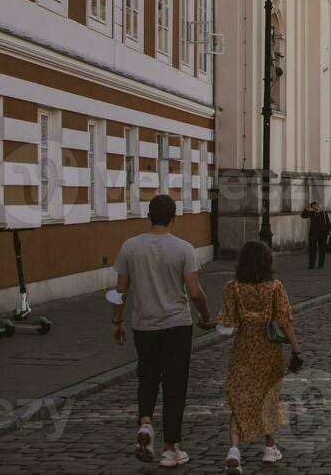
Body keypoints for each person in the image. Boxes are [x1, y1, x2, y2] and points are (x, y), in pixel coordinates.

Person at [111, 194, 214, 468]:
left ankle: (145, 423)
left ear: (149, 217)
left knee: (147, 377)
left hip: (143, 324)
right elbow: (194, 291)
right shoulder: (183, 249)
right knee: (174, 384)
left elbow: (120, 290)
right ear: (173, 219)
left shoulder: (130, 247)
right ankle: (171, 448)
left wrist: (116, 321)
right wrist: (205, 315)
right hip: (177, 324)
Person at [218, 241, 301, 471]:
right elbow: (285, 321)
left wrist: (211, 322)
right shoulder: (275, 288)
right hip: (268, 352)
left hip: (244, 349)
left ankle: (234, 449)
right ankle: (269, 448)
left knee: (240, 398)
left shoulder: (232, 287)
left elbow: (227, 323)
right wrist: (296, 350)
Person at [300, 200, 331, 270]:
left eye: (316, 206)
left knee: (322, 249)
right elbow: (303, 216)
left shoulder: (324, 213)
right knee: (312, 250)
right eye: (313, 206)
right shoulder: (311, 213)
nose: (315, 207)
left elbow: (328, 223)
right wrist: (306, 209)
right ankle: (311, 265)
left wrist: (329, 231)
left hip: (323, 234)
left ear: (319, 206)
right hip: (313, 234)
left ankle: (320, 264)